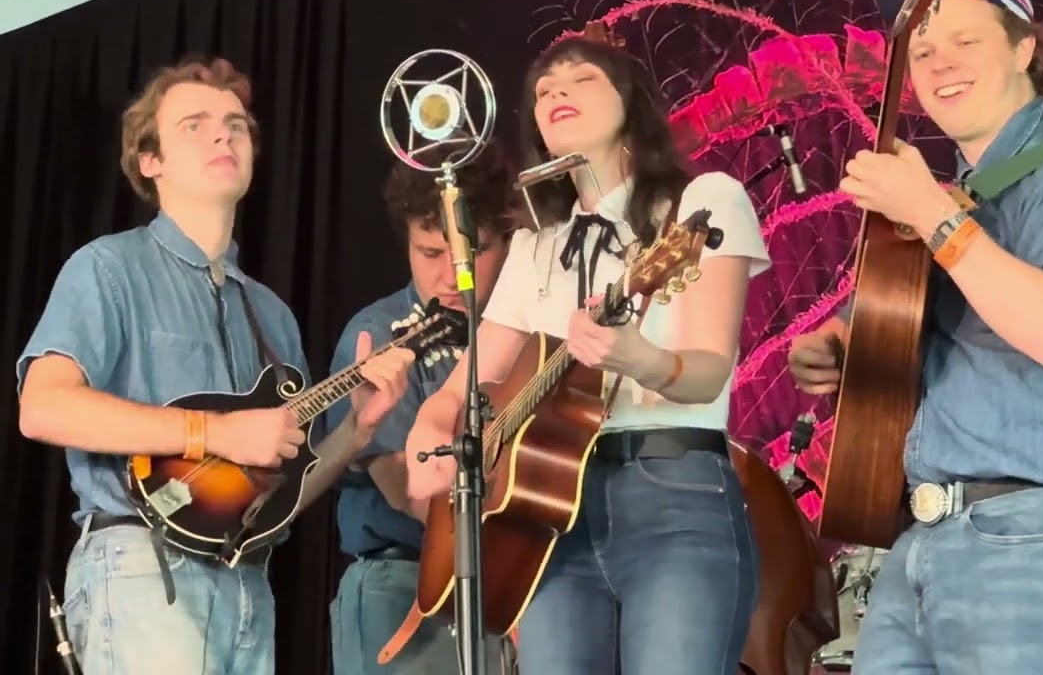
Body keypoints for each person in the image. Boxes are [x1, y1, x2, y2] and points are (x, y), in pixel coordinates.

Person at [786, 0, 1043, 673]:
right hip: (924, 538)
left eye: (965, 40)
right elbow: (904, 334)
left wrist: (926, 211)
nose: (938, 62)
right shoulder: (950, 201)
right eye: (921, 50)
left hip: (1035, 533)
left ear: (1024, 48)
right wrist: (845, 349)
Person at [15, 56, 414, 675]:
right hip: (144, 569)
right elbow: (42, 408)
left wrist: (355, 432)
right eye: (194, 125)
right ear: (151, 161)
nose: (224, 133)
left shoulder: (272, 315)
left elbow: (272, 496)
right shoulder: (107, 267)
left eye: (236, 124)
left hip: (248, 584)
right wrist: (213, 431)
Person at [403, 35, 771, 675]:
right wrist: (429, 433)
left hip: (672, 495)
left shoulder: (698, 203)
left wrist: (642, 360)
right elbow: (460, 392)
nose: (555, 94)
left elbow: (709, 370)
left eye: (580, 80)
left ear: (629, 102)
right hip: (548, 521)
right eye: (543, 92)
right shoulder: (534, 246)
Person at [324, 148, 518, 674]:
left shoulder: (528, 334)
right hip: (405, 584)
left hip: (519, 588)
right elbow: (408, 488)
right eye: (429, 253)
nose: (449, 277)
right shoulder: (380, 333)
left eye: (468, 254)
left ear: (510, 241)